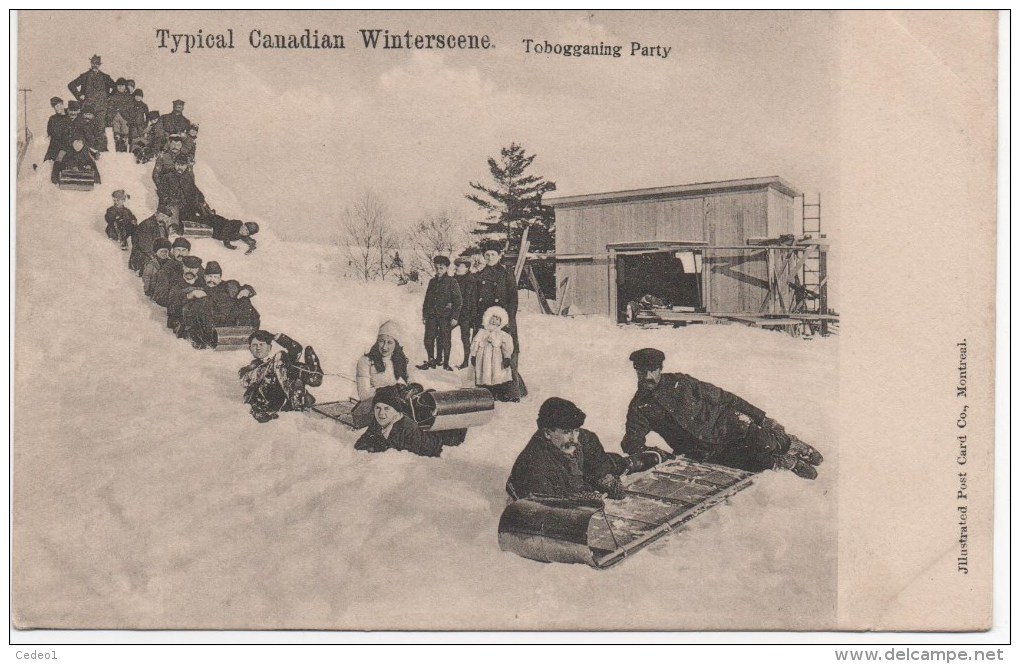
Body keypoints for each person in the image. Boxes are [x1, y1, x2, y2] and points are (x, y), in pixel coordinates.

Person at [621, 348, 825, 480]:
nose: (648, 376)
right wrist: (655, 454)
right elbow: (631, 442)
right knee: (754, 465)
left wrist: (762, 418)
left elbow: (726, 398)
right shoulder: (640, 407)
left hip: (730, 427)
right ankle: (788, 462)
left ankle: (793, 445)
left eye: (653, 370)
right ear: (636, 371)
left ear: (660, 368)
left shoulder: (682, 383)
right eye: (642, 371)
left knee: (766, 442)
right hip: (704, 451)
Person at [506, 397, 633, 506]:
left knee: (616, 463)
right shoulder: (534, 464)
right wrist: (578, 500)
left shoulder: (584, 439)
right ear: (547, 433)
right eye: (566, 432)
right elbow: (546, 505)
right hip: (534, 504)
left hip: (574, 481)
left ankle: (635, 461)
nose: (573, 438)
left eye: (576, 430)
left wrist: (606, 480)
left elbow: (599, 464)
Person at [475, 240, 525, 398]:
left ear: (499, 255)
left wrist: (507, 322)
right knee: (485, 355)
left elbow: (513, 300)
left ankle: (512, 389)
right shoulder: (479, 276)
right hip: (486, 323)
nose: (490, 257)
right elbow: (476, 301)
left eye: (493, 254)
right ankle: (488, 390)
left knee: (507, 353)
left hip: (504, 322)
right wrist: (479, 323)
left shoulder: (506, 274)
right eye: (487, 255)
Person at [238, 330, 322, 423]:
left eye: (262, 344)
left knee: (290, 365)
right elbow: (246, 380)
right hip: (267, 402)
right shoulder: (246, 369)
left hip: (285, 402)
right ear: (250, 348)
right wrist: (274, 364)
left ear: (269, 348)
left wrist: (277, 337)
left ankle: (312, 376)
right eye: (254, 345)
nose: (258, 348)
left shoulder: (278, 363)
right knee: (281, 358)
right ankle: (299, 390)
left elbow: (296, 349)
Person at [181, 261, 261, 349]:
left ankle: (246, 333)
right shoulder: (200, 287)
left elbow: (245, 288)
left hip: (231, 319)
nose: (212, 279)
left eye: (215, 277)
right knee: (201, 302)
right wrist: (191, 294)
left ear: (220, 278)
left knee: (244, 300)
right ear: (204, 277)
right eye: (209, 276)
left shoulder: (229, 285)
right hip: (211, 323)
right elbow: (183, 295)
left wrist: (246, 290)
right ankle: (208, 340)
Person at [352, 320, 413, 429]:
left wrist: (412, 387)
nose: (385, 347)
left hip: (395, 404)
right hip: (373, 407)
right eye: (381, 341)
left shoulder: (399, 360)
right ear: (377, 342)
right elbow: (364, 395)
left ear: (396, 344)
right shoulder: (366, 361)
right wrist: (390, 391)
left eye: (389, 342)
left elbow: (409, 381)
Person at [353, 386, 443, 457]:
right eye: (378, 408)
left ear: (395, 411)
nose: (381, 413)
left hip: (437, 445)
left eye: (387, 408)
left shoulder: (408, 428)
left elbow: (407, 459)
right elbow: (360, 444)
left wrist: (376, 446)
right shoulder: (377, 422)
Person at [418, 255, 462, 371]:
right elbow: (427, 300)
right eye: (436, 268)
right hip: (432, 316)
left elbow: (458, 301)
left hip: (445, 317)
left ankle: (445, 363)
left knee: (445, 339)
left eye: (441, 268)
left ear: (447, 268)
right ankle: (431, 360)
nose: (438, 270)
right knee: (429, 338)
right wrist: (424, 315)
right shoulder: (432, 282)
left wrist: (455, 317)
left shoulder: (452, 282)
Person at [470, 306, 515, 402]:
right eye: (493, 318)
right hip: (483, 357)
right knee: (485, 373)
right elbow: (475, 343)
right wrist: (473, 354)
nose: (494, 321)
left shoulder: (502, 334)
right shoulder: (482, 332)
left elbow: (506, 346)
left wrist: (507, 357)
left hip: (496, 358)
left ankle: (498, 393)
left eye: (498, 319)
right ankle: (486, 393)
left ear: (501, 321)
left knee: (497, 374)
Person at [67, 55, 114, 128]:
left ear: (99, 65)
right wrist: (79, 95)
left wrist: (109, 97)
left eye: (97, 63)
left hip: (101, 108)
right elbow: (71, 85)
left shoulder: (105, 77)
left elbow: (115, 87)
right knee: (87, 128)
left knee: (100, 129)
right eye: (93, 63)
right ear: (91, 63)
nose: (95, 65)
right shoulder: (84, 76)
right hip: (87, 107)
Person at [166, 255, 206, 335]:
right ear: (183, 267)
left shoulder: (203, 283)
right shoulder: (175, 282)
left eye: (193, 268)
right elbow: (171, 308)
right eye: (187, 267)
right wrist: (188, 296)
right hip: (181, 318)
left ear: (198, 269)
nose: (190, 271)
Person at [129, 209, 174, 275]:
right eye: (163, 216)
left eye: (167, 218)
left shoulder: (162, 225)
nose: (165, 219)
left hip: (157, 253)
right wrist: (158, 257)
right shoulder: (146, 225)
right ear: (156, 214)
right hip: (143, 255)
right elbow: (145, 246)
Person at [152, 237, 193, 307]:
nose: (181, 253)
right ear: (173, 251)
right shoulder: (166, 269)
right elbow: (160, 296)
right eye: (178, 250)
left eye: (184, 250)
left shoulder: (194, 265)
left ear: (188, 252)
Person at [453, 257, 478, 369]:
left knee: (465, 337)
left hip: (466, 314)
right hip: (454, 313)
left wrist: (469, 315)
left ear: (467, 268)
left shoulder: (470, 280)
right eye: (456, 265)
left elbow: (469, 299)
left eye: (460, 266)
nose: (457, 268)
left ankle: (466, 361)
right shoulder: (453, 279)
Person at [43, 97, 71, 184]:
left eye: (58, 105)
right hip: (54, 146)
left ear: (63, 105)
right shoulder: (52, 119)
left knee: (62, 162)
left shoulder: (70, 116)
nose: (57, 108)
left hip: (67, 145)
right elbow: (50, 133)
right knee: (48, 164)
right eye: (54, 106)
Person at [107, 78, 135, 152]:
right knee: (116, 133)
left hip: (125, 117)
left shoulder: (128, 97)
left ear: (125, 87)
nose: (120, 87)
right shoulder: (113, 96)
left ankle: (124, 150)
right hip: (115, 116)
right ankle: (117, 148)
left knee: (125, 133)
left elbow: (131, 109)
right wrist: (109, 118)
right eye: (119, 86)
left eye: (122, 86)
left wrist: (131, 119)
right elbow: (110, 108)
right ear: (116, 86)